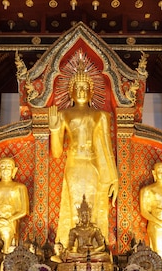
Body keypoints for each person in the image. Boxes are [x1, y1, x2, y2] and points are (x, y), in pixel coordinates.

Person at [49, 59, 119, 246]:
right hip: (74, 165)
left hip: (93, 165)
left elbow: (106, 147)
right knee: (74, 205)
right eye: (77, 87)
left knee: (95, 206)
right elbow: (56, 153)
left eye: (84, 87)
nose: (81, 91)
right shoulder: (64, 114)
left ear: (91, 92)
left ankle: (96, 246)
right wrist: (55, 130)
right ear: (70, 91)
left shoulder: (100, 116)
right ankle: (70, 247)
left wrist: (114, 178)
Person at [0, 157, 30, 253]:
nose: (5, 170)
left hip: (11, 222)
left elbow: (24, 211)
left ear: (14, 170)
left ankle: (6, 265)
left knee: (7, 247)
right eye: (3, 167)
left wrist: (9, 220)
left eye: (9, 167)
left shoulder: (20, 187)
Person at [66, 195, 109, 260]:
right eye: (82, 215)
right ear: (79, 216)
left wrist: (92, 252)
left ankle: (82, 258)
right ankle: (82, 258)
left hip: (92, 253)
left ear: (90, 216)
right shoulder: (74, 230)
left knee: (105, 256)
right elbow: (70, 246)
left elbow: (102, 246)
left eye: (87, 215)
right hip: (79, 254)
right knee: (68, 255)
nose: (85, 217)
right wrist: (67, 250)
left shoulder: (95, 229)